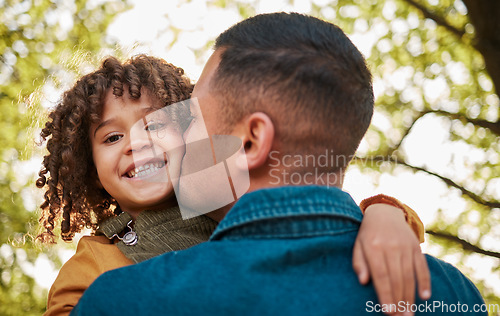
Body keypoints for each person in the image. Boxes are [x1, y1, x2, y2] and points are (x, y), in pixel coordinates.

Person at [70, 12, 486, 316]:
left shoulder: (119, 302)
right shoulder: (456, 297)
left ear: (249, 141)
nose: (169, 142)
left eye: (189, 117)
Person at [38, 54, 425, 316]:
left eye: (155, 124)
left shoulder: (230, 198)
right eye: (111, 138)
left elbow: (319, 223)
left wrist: (383, 213)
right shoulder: (94, 263)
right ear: (91, 171)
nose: (137, 143)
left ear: (194, 133)